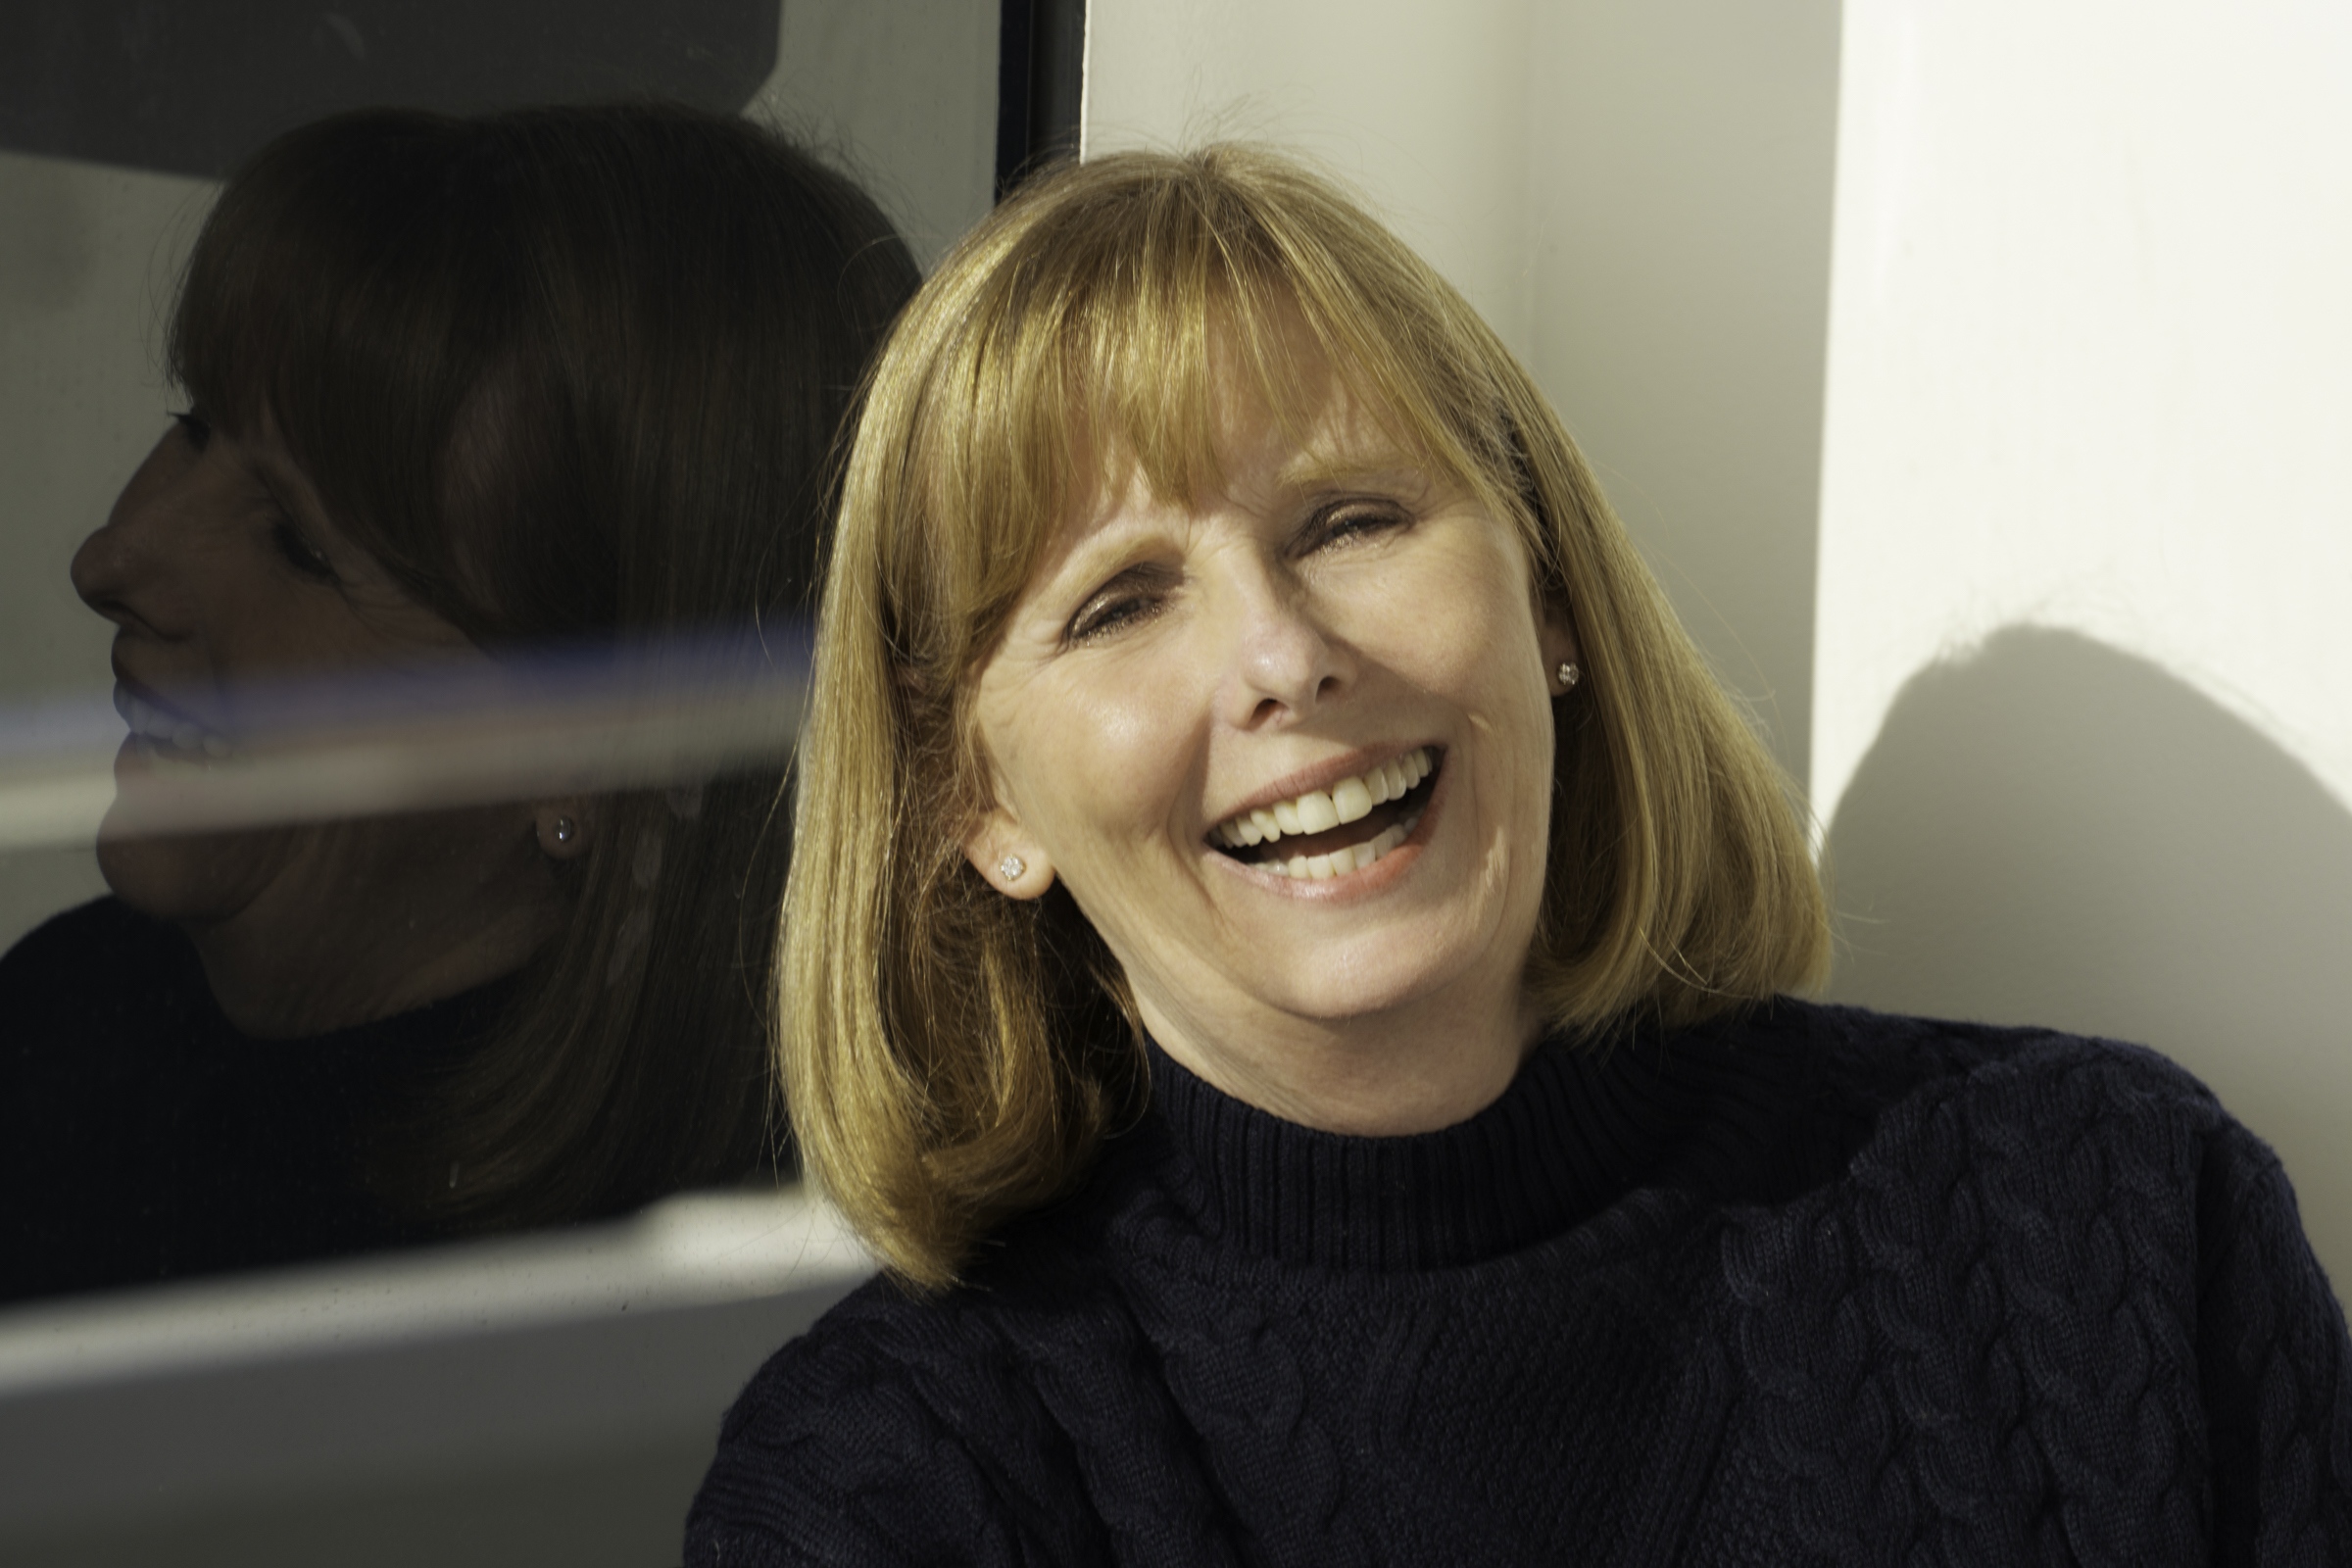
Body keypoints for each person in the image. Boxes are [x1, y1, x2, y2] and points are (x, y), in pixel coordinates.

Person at [687, 145, 2352, 1563]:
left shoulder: (2106, 1221)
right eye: (1121, 603)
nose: (1279, 656)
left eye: (1350, 521)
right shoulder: (894, 1490)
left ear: (1548, 595)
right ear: (974, 804)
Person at [0, 103, 919, 1302]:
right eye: (191, 430)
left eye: (296, 546)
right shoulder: (71, 1025)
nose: (112, 558)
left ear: (585, 751)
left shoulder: (610, 1327)